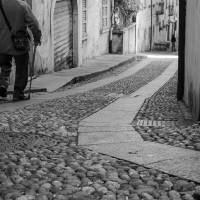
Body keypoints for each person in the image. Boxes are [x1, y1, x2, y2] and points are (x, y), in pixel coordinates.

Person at [0, 0, 41, 101]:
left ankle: (2, 86)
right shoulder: (22, 5)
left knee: (5, 66)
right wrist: (37, 37)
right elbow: (34, 23)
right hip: (19, 43)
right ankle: (18, 93)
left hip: (2, 42)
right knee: (21, 69)